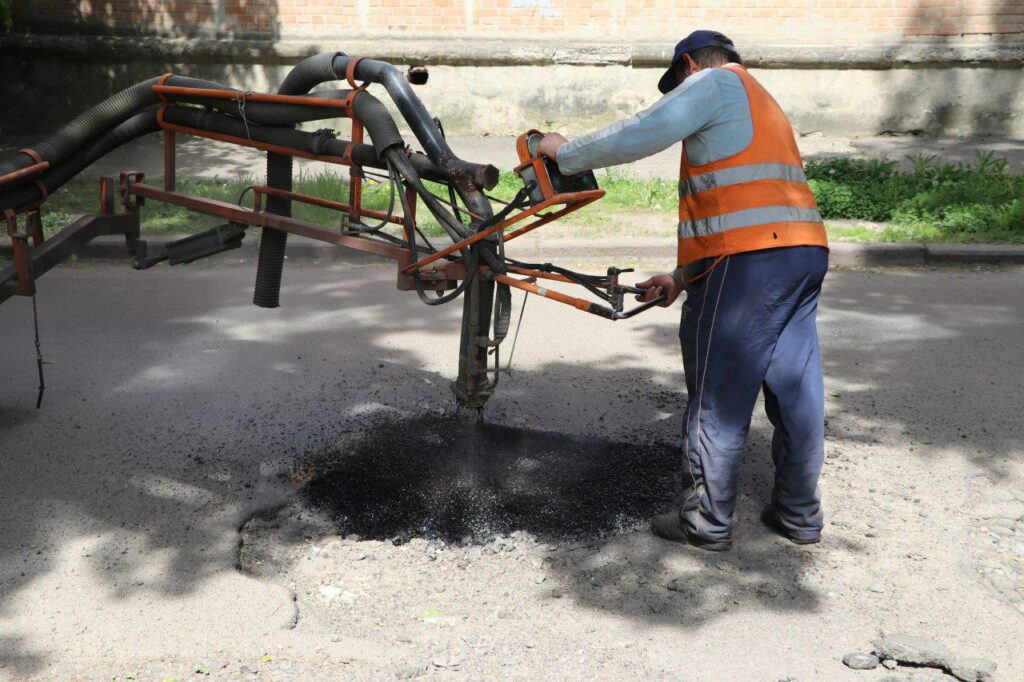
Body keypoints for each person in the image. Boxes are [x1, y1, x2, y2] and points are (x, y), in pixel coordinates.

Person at [538, 31, 830, 551]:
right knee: (797, 387)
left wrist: (564, 151)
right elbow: (742, 200)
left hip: (747, 262)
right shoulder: (762, 100)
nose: (678, 94)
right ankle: (798, 513)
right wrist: (681, 276)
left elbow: (642, 130)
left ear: (689, 65)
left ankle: (705, 521)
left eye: (677, 84)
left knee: (718, 391)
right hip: (801, 253)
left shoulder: (713, 83)